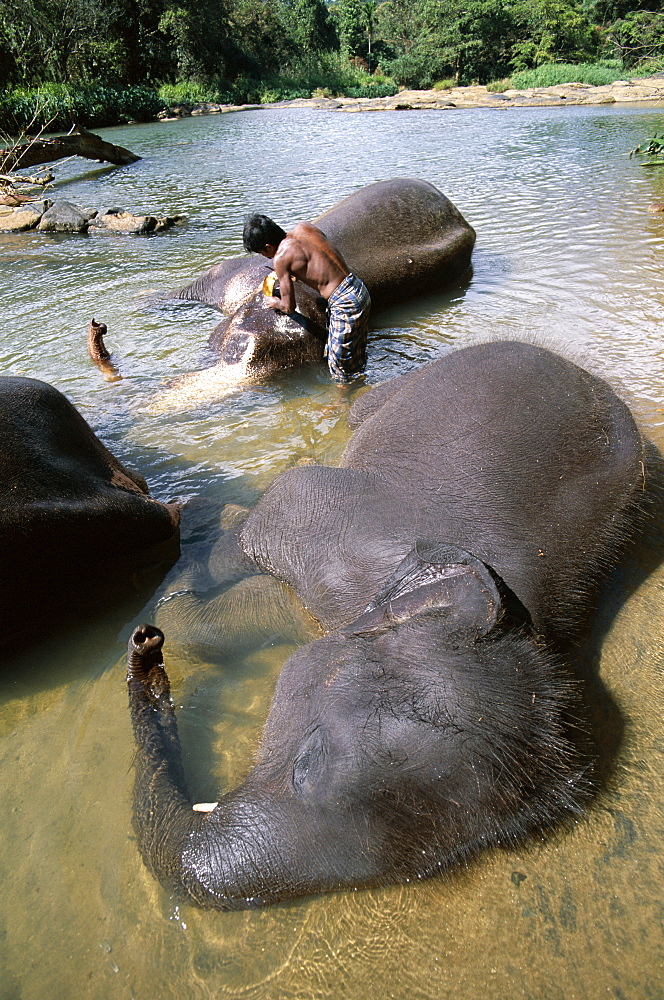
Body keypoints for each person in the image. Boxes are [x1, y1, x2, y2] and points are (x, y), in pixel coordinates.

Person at [242, 213, 371, 380]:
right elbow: (318, 258)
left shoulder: (281, 258)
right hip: (357, 287)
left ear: (268, 247)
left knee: (339, 363)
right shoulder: (305, 228)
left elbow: (288, 306)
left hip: (343, 301)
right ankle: (362, 383)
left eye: (264, 254)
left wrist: (275, 302)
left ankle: (342, 402)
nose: (268, 257)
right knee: (356, 352)